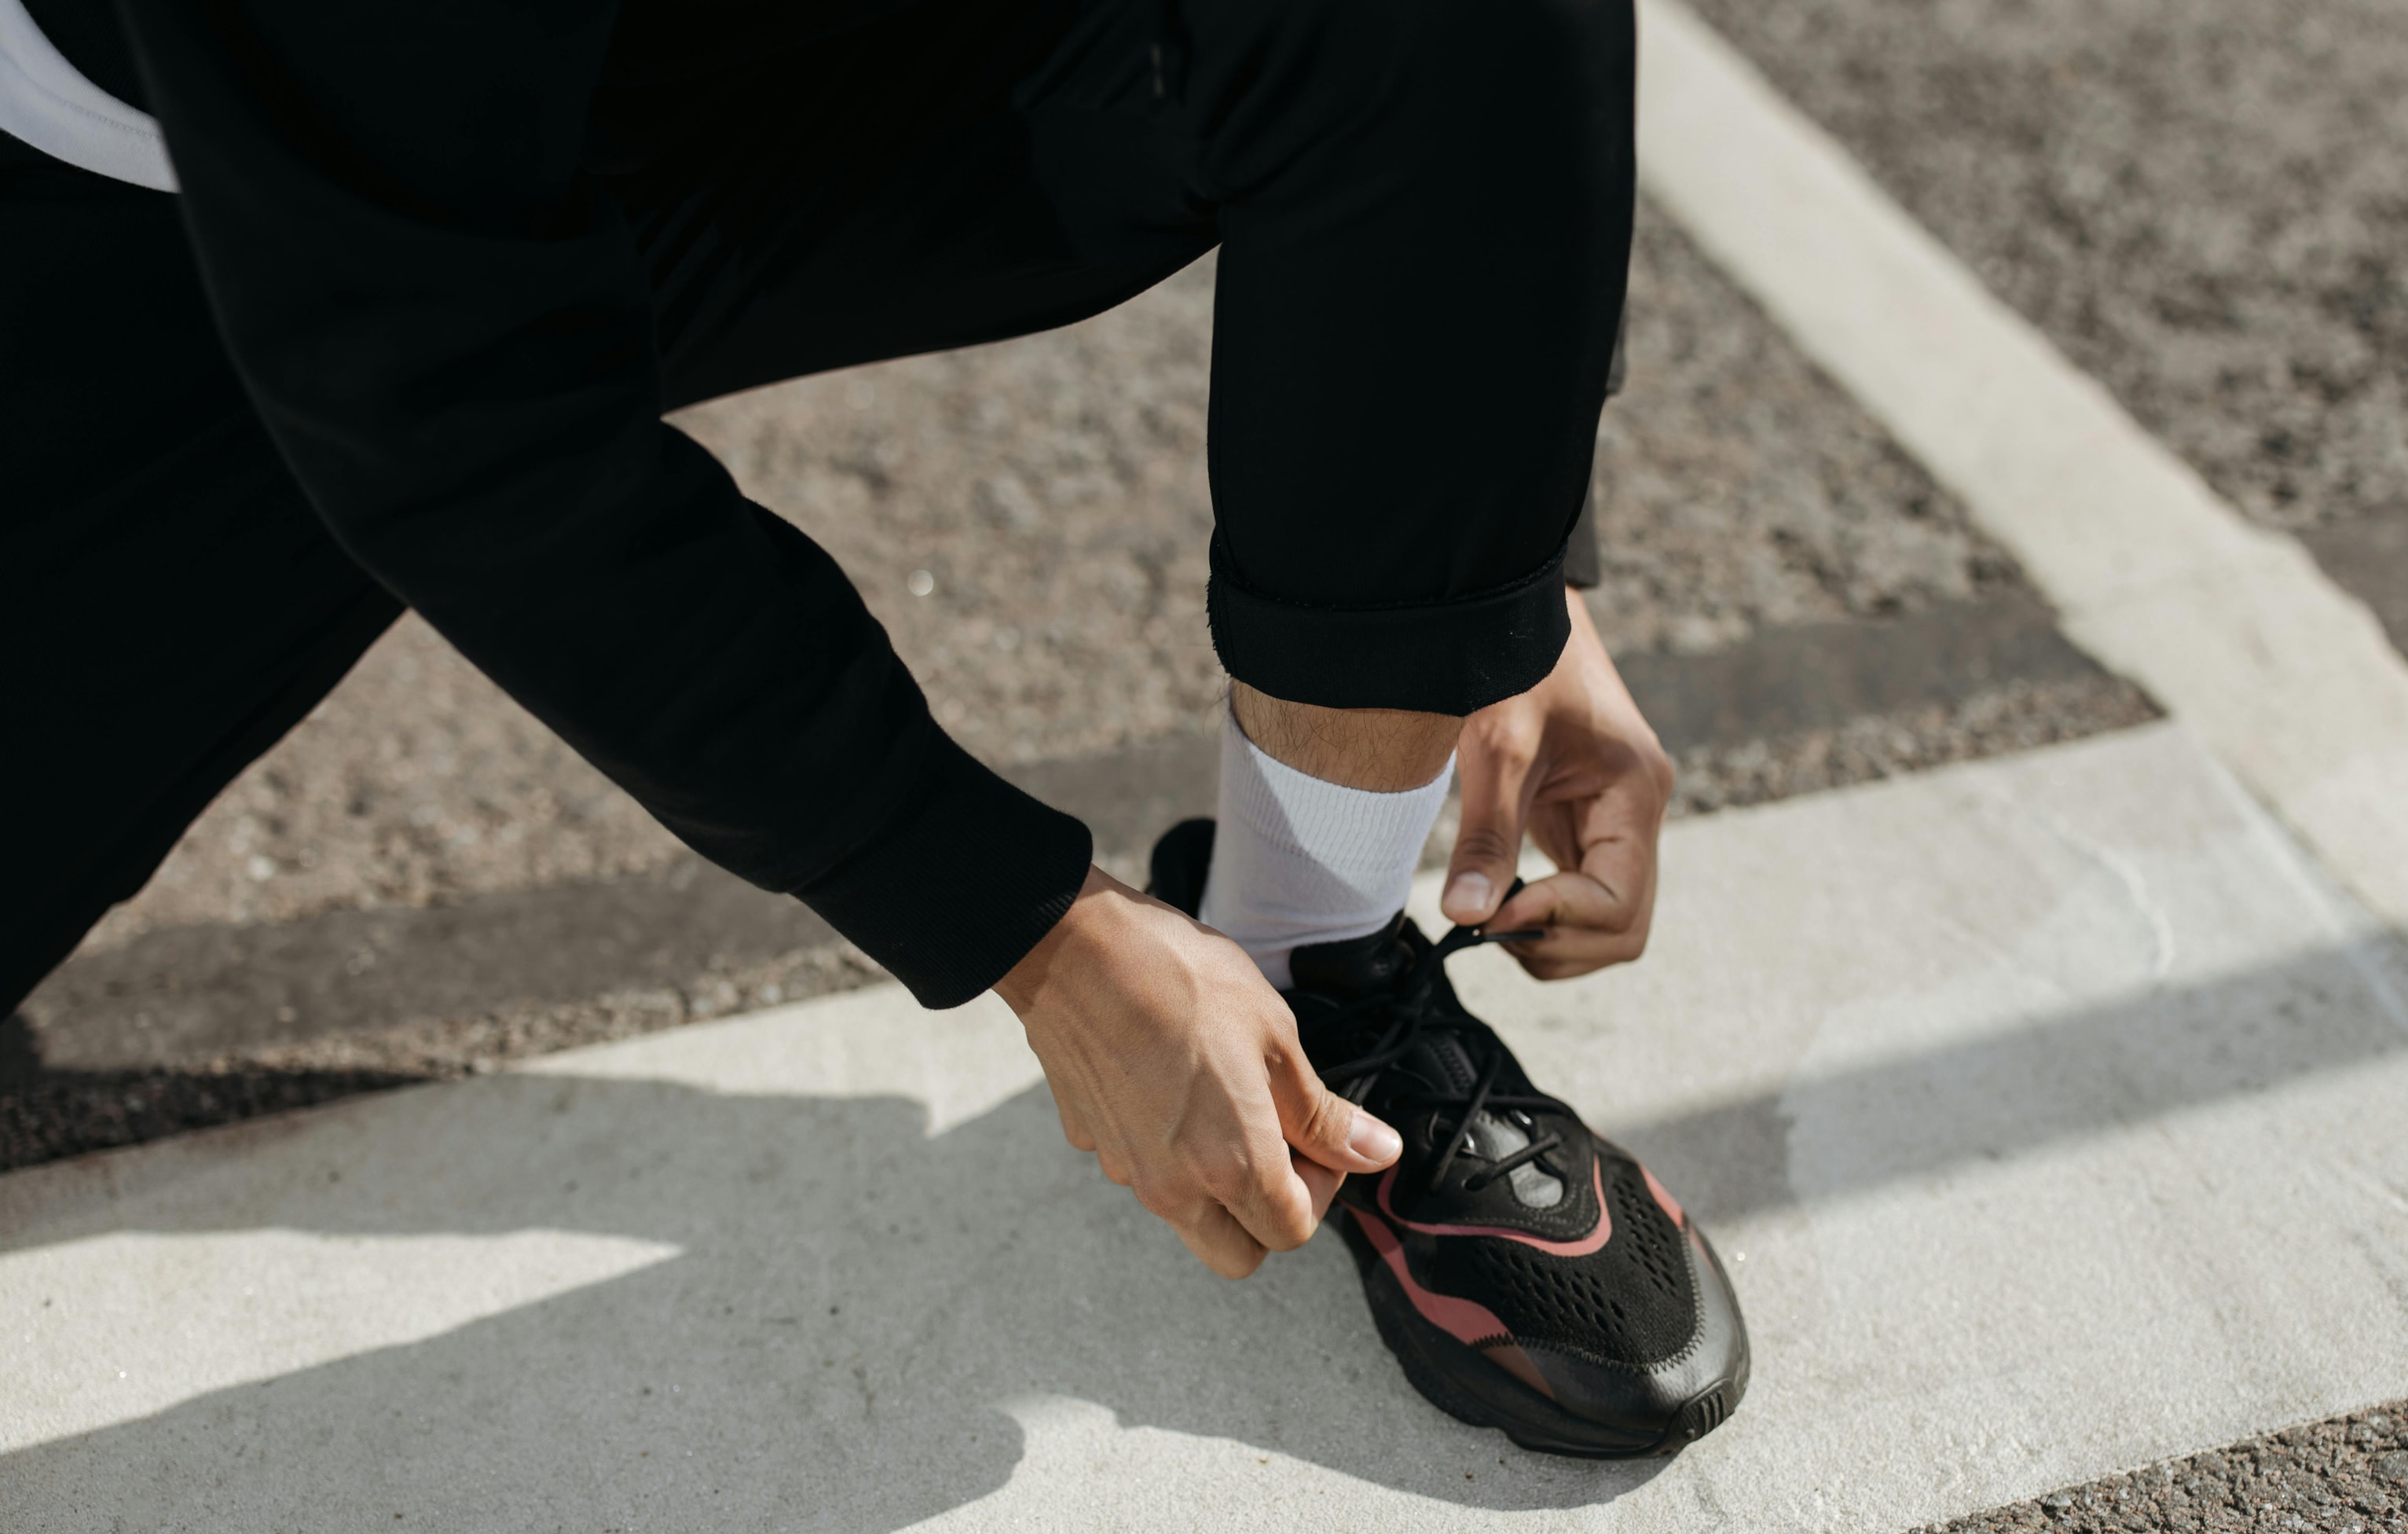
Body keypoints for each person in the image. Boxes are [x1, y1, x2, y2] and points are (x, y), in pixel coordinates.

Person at [0, 0, 1746, 1456]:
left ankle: (1317, 959)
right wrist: (1032, 936)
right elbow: (447, 409)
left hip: (787, 64)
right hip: (233, 199)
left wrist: (1501, 573)